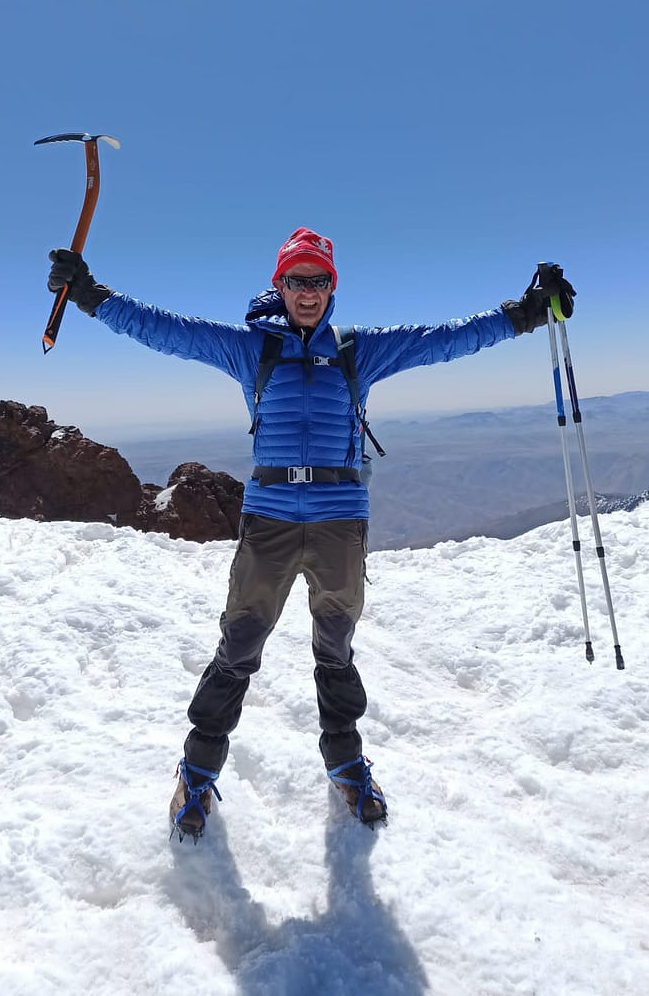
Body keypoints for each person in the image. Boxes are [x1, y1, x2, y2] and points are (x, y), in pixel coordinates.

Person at [46, 227, 575, 840]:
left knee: (335, 652)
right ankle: (196, 773)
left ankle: (347, 764)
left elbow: (444, 340)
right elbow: (167, 330)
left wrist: (522, 315)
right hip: (269, 520)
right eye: (296, 280)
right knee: (238, 648)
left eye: (318, 281)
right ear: (281, 284)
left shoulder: (358, 351)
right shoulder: (251, 350)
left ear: (332, 287)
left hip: (339, 522)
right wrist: (92, 296)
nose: (307, 292)